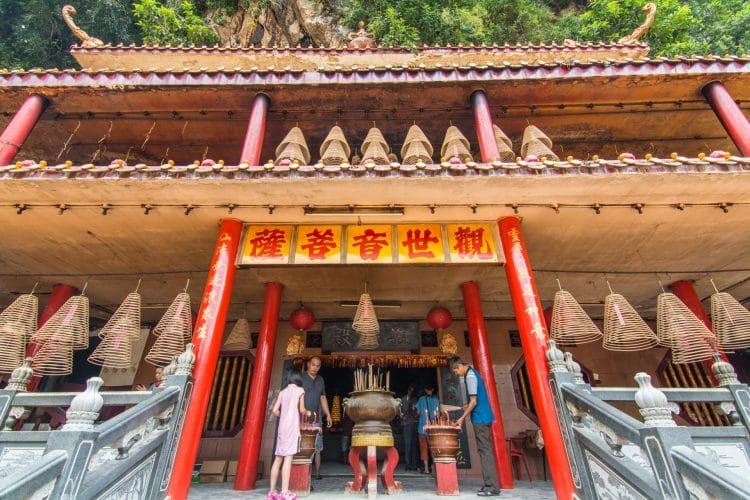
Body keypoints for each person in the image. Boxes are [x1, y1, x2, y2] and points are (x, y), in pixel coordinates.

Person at [449, 356, 500, 497]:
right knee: (485, 451)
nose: (456, 374)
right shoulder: (473, 372)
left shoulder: (470, 376)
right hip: (483, 416)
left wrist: (461, 418)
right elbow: (474, 400)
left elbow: (474, 401)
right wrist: (467, 406)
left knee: (485, 452)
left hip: (481, 418)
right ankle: (490, 483)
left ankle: (492, 486)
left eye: (455, 372)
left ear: (458, 367)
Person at [268, 368, 310, 500]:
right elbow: (302, 409)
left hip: (282, 427)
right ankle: (285, 493)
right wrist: (309, 413)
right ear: (298, 378)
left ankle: (272, 492)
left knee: (278, 458)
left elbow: (275, 410)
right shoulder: (300, 390)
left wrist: (283, 415)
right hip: (291, 427)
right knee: (288, 458)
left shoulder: (283, 392)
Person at [302, 356, 332, 480]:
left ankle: (317, 474)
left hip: (316, 419)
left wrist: (328, 415)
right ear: (308, 364)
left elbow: (322, 397)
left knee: (317, 447)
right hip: (301, 419)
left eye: (318, 366)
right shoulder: (301, 378)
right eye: (313, 365)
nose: (315, 368)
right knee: (303, 448)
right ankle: (304, 477)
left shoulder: (320, 380)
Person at [415, 384, 440, 474]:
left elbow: (417, 412)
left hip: (422, 428)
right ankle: (435, 469)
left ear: (426, 390)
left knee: (424, 448)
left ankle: (426, 469)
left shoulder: (421, 399)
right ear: (432, 389)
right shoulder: (436, 400)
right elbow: (438, 414)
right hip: (432, 428)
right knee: (433, 448)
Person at [400, 384, 419, 471]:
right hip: (407, 424)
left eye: (413, 390)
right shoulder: (403, 399)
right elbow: (398, 410)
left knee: (414, 444)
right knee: (408, 444)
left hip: (415, 424)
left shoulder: (416, 400)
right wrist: (401, 416)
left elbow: (418, 411)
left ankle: (414, 465)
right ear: (408, 391)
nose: (411, 392)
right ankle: (408, 464)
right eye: (410, 390)